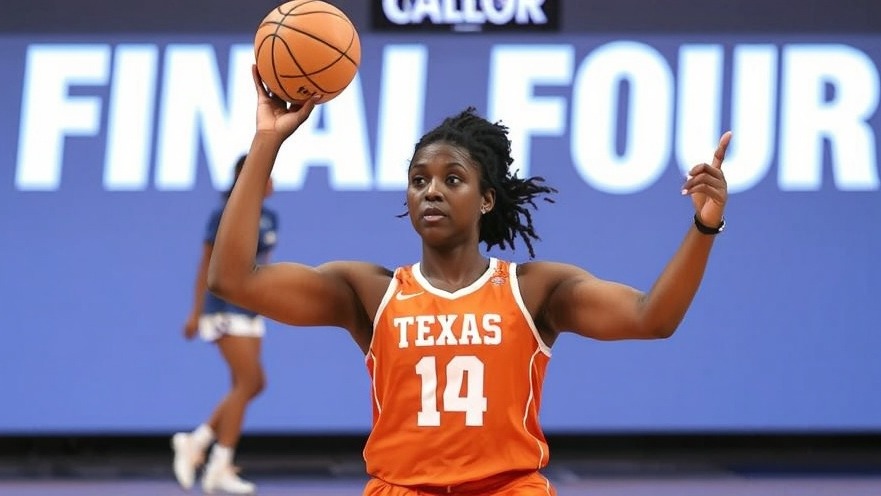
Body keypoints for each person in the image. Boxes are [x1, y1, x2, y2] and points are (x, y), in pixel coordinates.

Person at [207, 65, 731, 495]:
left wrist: (704, 225)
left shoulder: (534, 291)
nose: (430, 191)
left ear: (485, 199)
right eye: (418, 181)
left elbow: (652, 317)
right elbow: (232, 279)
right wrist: (266, 142)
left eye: (451, 179)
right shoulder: (369, 292)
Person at [172, 154, 278, 495]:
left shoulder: (271, 217)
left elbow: (263, 266)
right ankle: (210, 454)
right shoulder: (224, 215)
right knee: (250, 382)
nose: (273, 181)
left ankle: (206, 451)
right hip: (222, 309)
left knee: (247, 387)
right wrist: (196, 310)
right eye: (267, 175)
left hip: (251, 310)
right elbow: (206, 263)